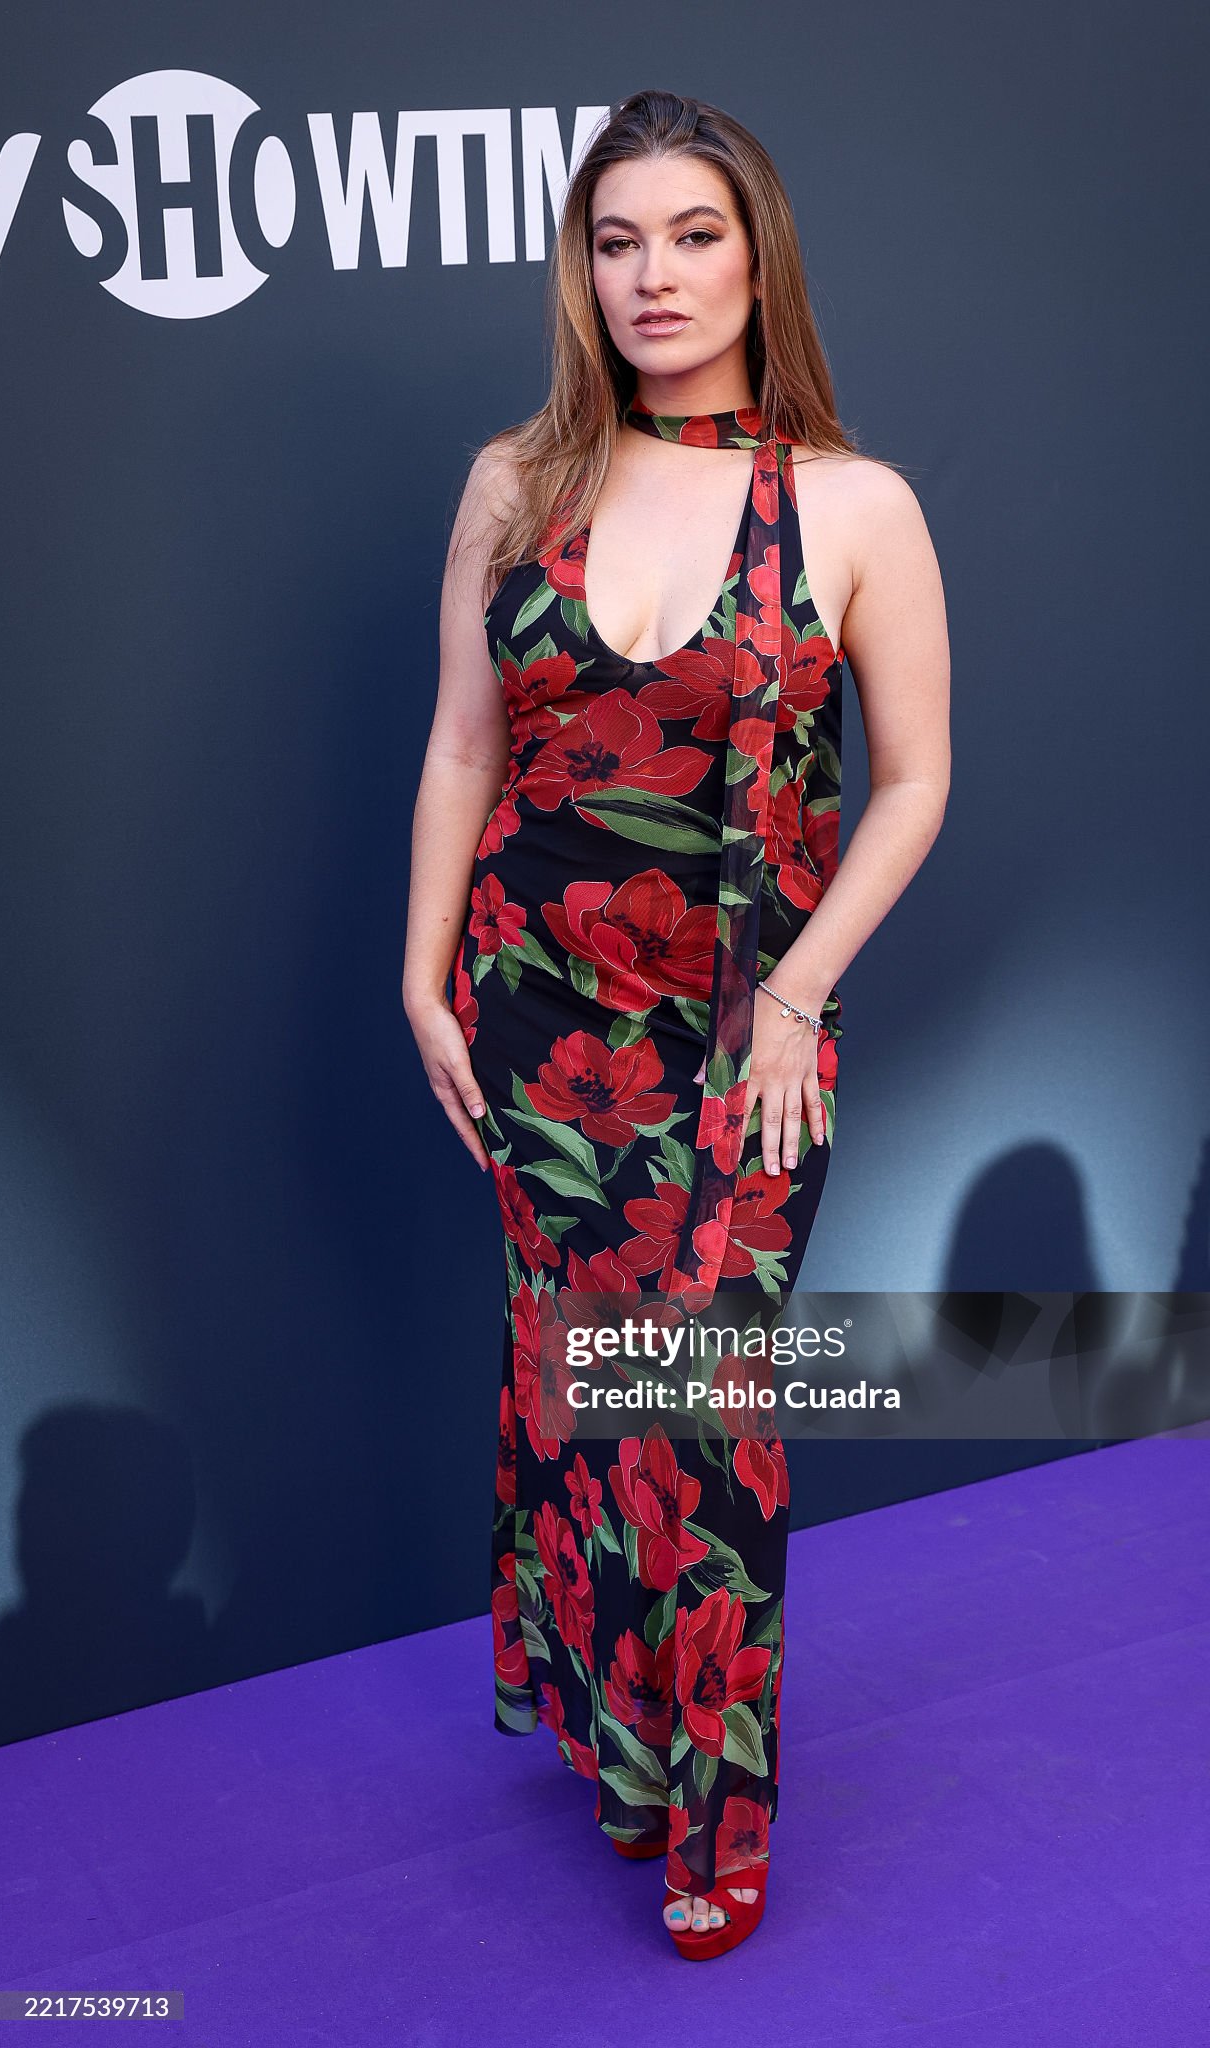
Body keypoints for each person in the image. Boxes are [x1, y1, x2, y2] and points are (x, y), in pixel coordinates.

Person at [403, 88, 950, 1959]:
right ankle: (622, 1751)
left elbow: (913, 782)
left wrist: (799, 993)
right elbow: (465, 745)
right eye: (617, 241)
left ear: (756, 258)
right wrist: (419, 974)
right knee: (580, 1394)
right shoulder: (517, 481)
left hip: (738, 1043)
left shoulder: (853, 505)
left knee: (700, 1417)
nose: (653, 275)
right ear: (582, 271)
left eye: (693, 236)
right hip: (531, 1019)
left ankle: (721, 1809)